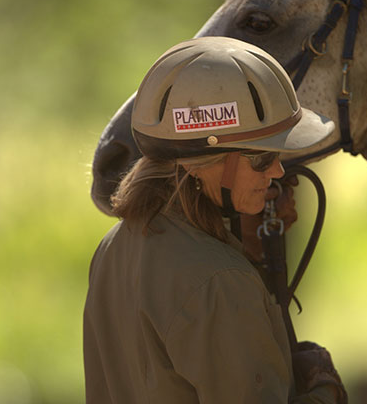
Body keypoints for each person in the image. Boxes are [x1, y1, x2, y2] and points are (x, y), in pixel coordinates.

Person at [84, 36, 346, 403]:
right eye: (259, 158)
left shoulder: (113, 248)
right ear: (197, 164)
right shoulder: (220, 281)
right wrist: (325, 390)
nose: (276, 170)